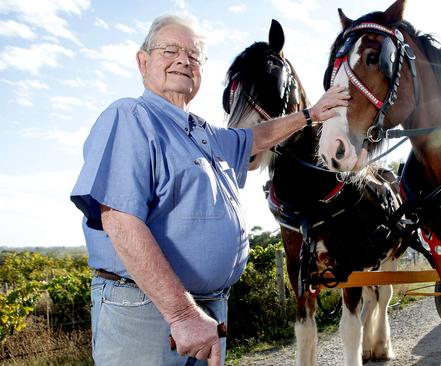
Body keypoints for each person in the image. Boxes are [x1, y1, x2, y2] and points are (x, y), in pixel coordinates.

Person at [70, 14, 349, 366]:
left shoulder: (202, 133)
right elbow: (120, 221)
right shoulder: (130, 117)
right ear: (143, 62)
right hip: (150, 314)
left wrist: (310, 115)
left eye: (193, 55)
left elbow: (256, 138)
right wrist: (182, 314)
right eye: (170, 50)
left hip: (207, 314)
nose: (183, 60)